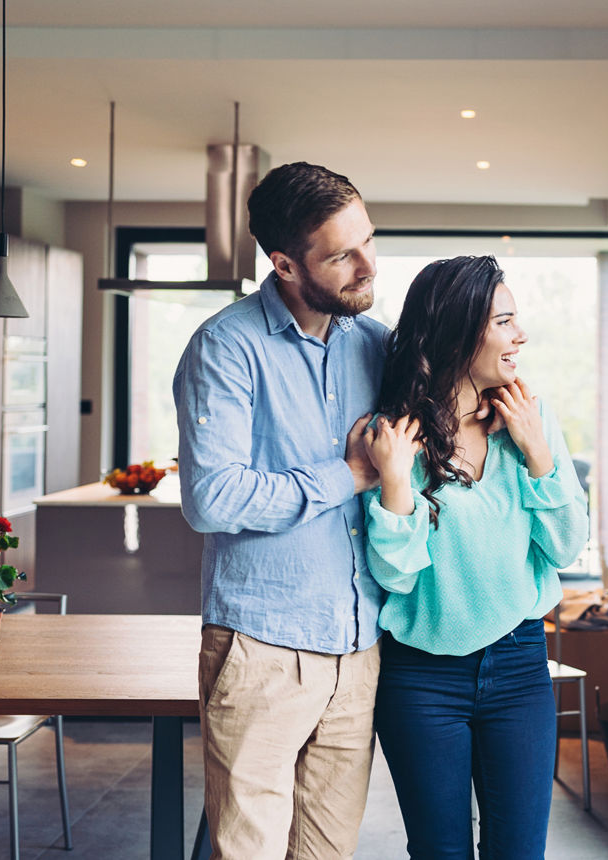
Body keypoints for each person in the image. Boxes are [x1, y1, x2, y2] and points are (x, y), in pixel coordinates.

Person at [172, 161, 387, 859]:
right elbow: (214, 497)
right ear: (286, 264)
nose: (366, 265)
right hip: (262, 645)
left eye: (369, 241)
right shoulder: (225, 347)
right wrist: (348, 474)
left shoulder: (376, 344)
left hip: (358, 648)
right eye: (341, 254)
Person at [361, 255, 588, 859]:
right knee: (440, 854)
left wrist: (539, 452)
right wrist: (394, 482)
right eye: (504, 322)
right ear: (461, 331)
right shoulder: (395, 434)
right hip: (421, 676)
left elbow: (565, 546)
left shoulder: (531, 426)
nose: (521, 336)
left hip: (518, 666)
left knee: (518, 853)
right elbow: (395, 574)